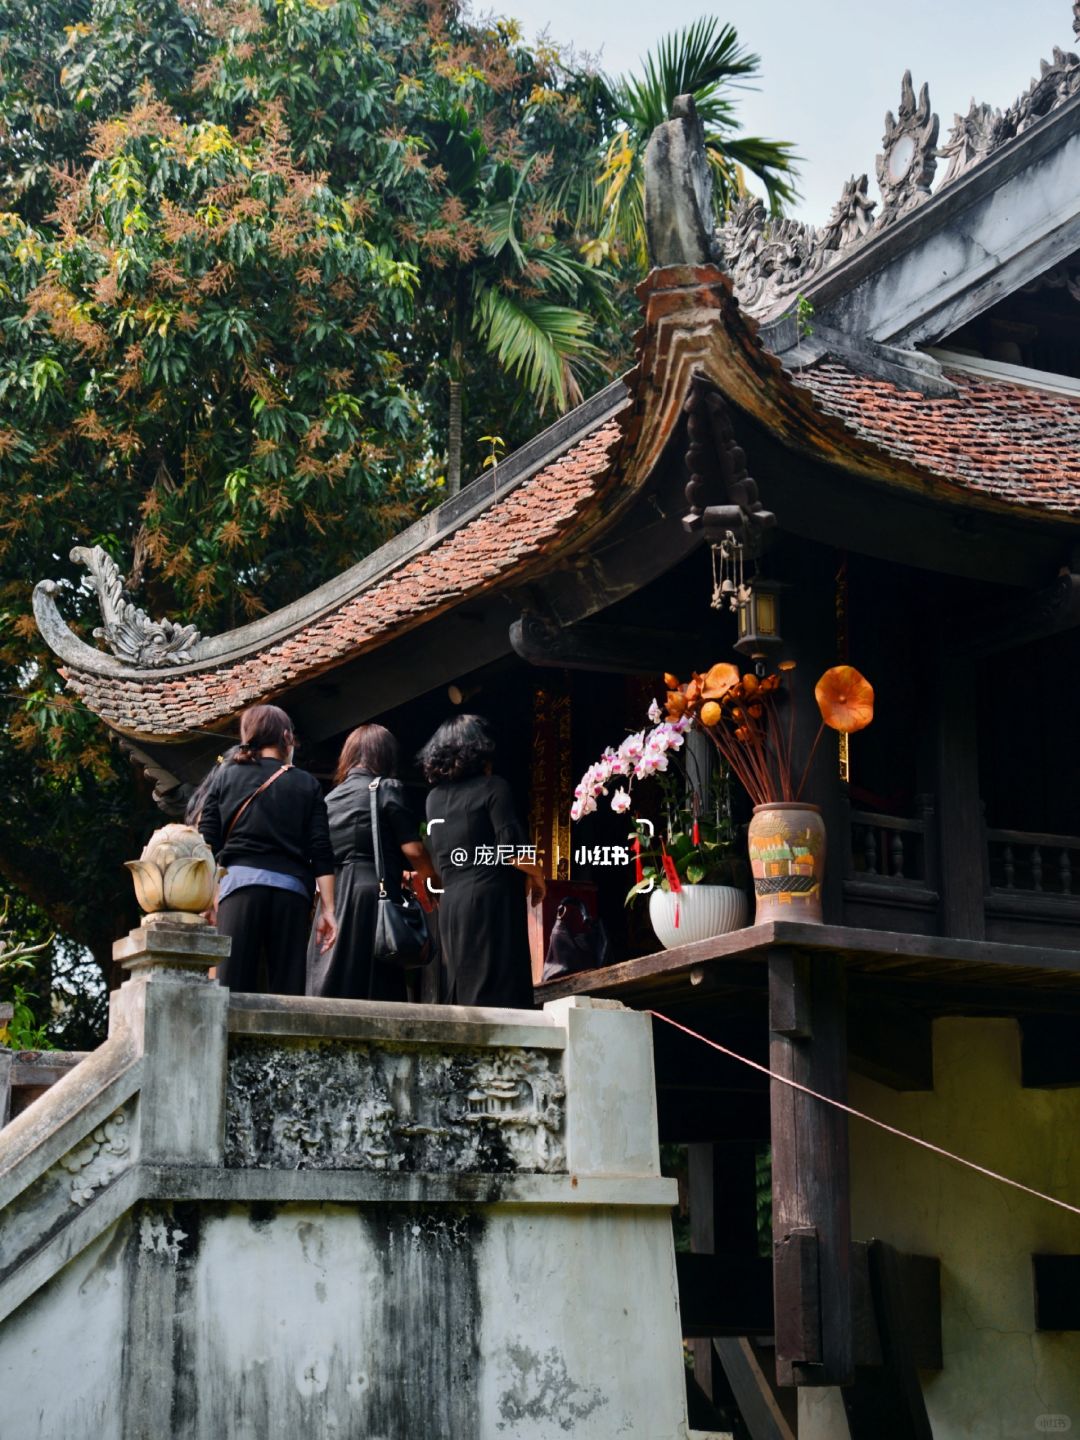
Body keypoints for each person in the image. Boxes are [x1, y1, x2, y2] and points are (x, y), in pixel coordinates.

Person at [199, 704, 336, 994]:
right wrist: (329, 909)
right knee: (287, 991)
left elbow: (206, 841)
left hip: (238, 888)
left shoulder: (226, 774)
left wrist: (208, 897)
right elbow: (321, 851)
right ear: (287, 737)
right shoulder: (307, 784)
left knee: (229, 988)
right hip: (291, 893)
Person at [419, 715, 545, 1009]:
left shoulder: (433, 799)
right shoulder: (493, 787)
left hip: (452, 904)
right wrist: (538, 876)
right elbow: (513, 851)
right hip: (491, 899)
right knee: (500, 990)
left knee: (467, 991)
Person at [307, 723, 437, 1002]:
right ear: (385, 756)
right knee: (375, 985)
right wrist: (431, 878)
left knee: (336, 978)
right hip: (371, 895)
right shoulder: (386, 788)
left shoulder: (330, 798)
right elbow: (413, 850)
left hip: (334, 896)